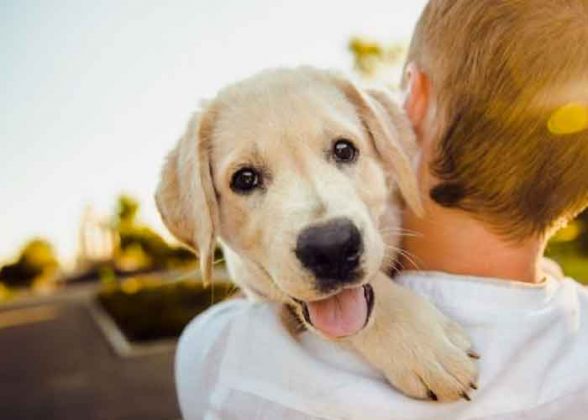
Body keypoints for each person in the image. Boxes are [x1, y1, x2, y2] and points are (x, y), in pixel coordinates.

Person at [175, 0, 588, 418]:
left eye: (342, 150)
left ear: (412, 100)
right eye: (247, 180)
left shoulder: (220, 359)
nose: (326, 231)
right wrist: (382, 312)